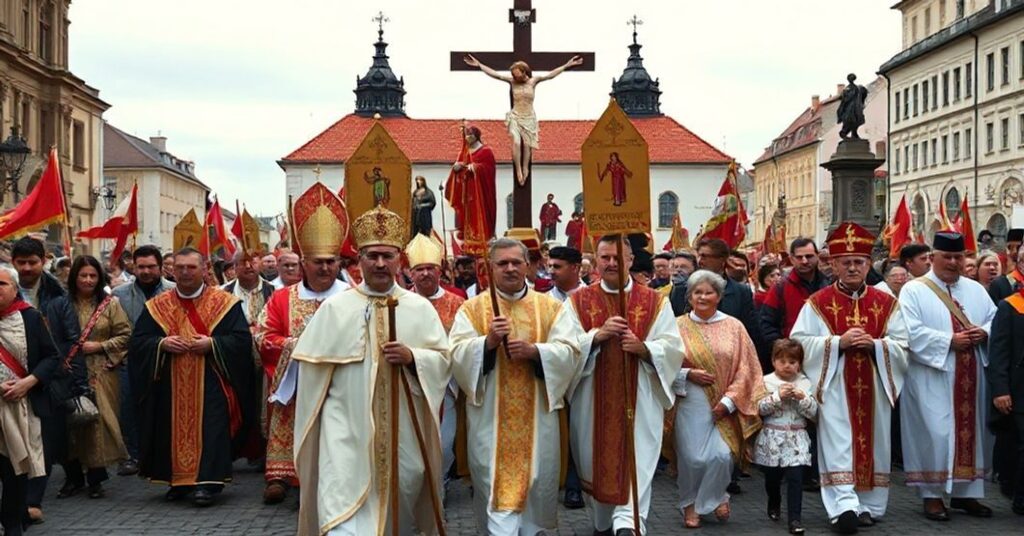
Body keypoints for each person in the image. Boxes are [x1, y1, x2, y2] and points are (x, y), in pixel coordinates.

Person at [290, 206, 450, 535]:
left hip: (404, 429)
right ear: (359, 260)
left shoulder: (419, 308)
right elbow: (311, 379)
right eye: (372, 256)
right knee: (342, 514)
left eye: (387, 256)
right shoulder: (335, 308)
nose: (380, 264)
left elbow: (443, 361)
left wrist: (413, 357)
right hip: (344, 430)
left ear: (399, 260)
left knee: (402, 497)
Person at [449, 237, 580, 534]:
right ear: (490, 267)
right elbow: (456, 355)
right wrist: (487, 343)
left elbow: (570, 352)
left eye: (516, 262)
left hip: (537, 421)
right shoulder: (472, 309)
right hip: (490, 422)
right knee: (496, 493)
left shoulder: (551, 308)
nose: (510, 268)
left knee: (534, 487)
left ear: (528, 265)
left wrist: (536, 352)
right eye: (502, 263)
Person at [790, 222, 910, 533]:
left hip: (874, 386)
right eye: (846, 262)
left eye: (859, 262)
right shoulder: (817, 303)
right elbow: (799, 342)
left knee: (875, 445)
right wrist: (836, 343)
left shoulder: (887, 303)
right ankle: (843, 505)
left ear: (869, 264)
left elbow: (903, 344)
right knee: (839, 444)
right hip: (834, 387)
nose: (853, 268)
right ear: (833, 265)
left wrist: (877, 345)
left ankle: (868, 505)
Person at [563, 235, 683, 534]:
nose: (612, 263)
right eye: (605, 257)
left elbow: (672, 347)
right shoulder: (577, 301)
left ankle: (628, 525)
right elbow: (563, 348)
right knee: (597, 469)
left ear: (631, 260)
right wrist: (596, 337)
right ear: (596, 260)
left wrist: (645, 349)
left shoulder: (655, 301)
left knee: (635, 468)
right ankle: (604, 524)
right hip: (593, 402)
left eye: (618, 257)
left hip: (641, 401)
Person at [127, 247, 255, 507]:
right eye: (180, 268)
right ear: (172, 271)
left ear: (204, 269)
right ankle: (179, 481)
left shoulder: (225, 304)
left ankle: (208, 483)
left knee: (211, 429)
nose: (185, 272)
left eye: (191, 267)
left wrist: (213, 344)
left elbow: (242, 341)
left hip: (212, 381)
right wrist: (161, 344)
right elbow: (138, 342)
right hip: (170, 383)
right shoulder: (157, 306)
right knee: (170, 429)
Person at [256, 184, 349, 505]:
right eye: (318, 261)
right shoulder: (283, 298)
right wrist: (293, 345)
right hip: (295, 382)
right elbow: (262, 335)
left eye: (331, 262)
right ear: (304, 263)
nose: (325, 268)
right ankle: (282, 475)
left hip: (339, 381)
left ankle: (331, 481)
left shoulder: (351, 297)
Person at [898, 232, 997, 521]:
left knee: (971, 434)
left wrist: (984, 332)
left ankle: (966, 494)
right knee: (935, 434)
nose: (953, 262)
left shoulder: (976, 290)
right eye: (947, 257)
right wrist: (947, 341)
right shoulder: (914, 290)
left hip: (971, 374)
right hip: (931, 375)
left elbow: (994, 319)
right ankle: (931, 495)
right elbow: (908, 330)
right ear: (933, 257)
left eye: (958, 257)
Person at [672, 269, 764, 529]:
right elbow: (662, 364)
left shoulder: (734, 327)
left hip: (726, 403)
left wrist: (729, 402)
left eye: (708, 292)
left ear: (719, 296)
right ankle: (690, 504)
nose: (702, 297)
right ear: (689, 297)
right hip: (689, 400)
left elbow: (748, 368)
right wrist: (687, 374)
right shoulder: (676, 326)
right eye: (697, 292)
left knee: (722, 457)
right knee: (693, 459)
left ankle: (714, 497)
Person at [46, 255, 131, 499]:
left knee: (97, 423)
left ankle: (96, 479)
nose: (88, 280)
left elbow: (126, 335)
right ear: (74, 277)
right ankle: (73, 478)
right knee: (70, 424)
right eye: (83, 275)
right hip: (69, 371)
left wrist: (100, 346)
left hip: (102, 372)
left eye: (93, 275)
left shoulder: (110, 305)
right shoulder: (60, 305)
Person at [11, 237, 81, 524]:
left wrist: (72, 379)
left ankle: (32, 501)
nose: (27, 268)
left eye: (32, 262)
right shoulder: (5, 290)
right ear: (13, 263)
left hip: (48, 379)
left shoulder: (59, 296)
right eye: (22, 263)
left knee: (43, 443)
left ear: (44, 261)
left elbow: (72, 340)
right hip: (9, 380)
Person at [0, 264, 59, 536]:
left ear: (15, 289)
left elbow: (51, 357)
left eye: (2, 285)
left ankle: (13, 521)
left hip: (21, 407)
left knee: (15, 469)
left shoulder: (31, 318)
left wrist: (29, 382)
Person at [463, 54, 583, 184]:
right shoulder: (512, 82)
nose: (515, 77)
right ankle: (518, 170)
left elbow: (550, 75)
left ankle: (525, 167)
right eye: (513, 75)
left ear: (524, 72)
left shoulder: (533, 81)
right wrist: (479, 65)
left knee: (527, 144)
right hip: (515, 115)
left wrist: (567, 65)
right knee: (516, 142)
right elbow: (496, 74)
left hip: (529, 116)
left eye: (517, 74)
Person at [404, 233, 465, 489]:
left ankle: (439, 485)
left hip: (444, 384)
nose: (425, 273)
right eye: (419, 269)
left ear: (440, 271)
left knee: (443, 441)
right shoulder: (399, 302)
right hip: (408, 381)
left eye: (430, 268)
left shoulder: (457, 303)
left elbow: (462, 343)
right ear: (410, 273)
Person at [112, 245, 175, 477]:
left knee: (165, 408)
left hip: (168, 358)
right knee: (129, 407)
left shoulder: (174, 291)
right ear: (134, 267)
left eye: (151, 267)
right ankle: (133, 455)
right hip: (130, 359)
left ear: (160, 267)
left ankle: (166, 454)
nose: (146, 272)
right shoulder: (119, 294)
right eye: (141, 267)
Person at [754, 339, 817, 535]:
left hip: (797, 437)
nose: (787, 365)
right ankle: (774, 500)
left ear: (799, 363)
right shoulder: (766, 381)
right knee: (772, 478)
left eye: (792, 361)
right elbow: (759, 409)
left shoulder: (805, 383)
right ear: (773, 361)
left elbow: (814, 412)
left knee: (795, 478)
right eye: (782, 361)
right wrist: (777, 396)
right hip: (772, 436)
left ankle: (794, 519)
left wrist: (802, 398)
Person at [987, 275, 1024, 515]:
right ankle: (1019, 496)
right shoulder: (1010, 305)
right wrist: (1000, 390)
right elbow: (999, 351)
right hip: (1019, 389)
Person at [760, 238, 830, 355]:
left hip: (824, 353)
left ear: (817, 256)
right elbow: (766, 323)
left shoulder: (829, 285)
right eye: (799, 257)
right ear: (792, 259)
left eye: (809, 256)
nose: (804, 261)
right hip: (792, 356)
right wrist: (781, 347)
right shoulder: (780, 287)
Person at [450, 125, 497, 242]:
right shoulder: (463, 153)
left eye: (470, 135)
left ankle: (482, 236)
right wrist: (456, 168)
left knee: (479, 213)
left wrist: (476, 167)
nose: (468, 137)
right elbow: (459, 166)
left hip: (480, 192)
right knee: (466, 213)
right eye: (466, 135)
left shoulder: (486, 151)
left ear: (476, 136)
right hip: (466, 190)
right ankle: (467, 235)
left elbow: (489, 169)